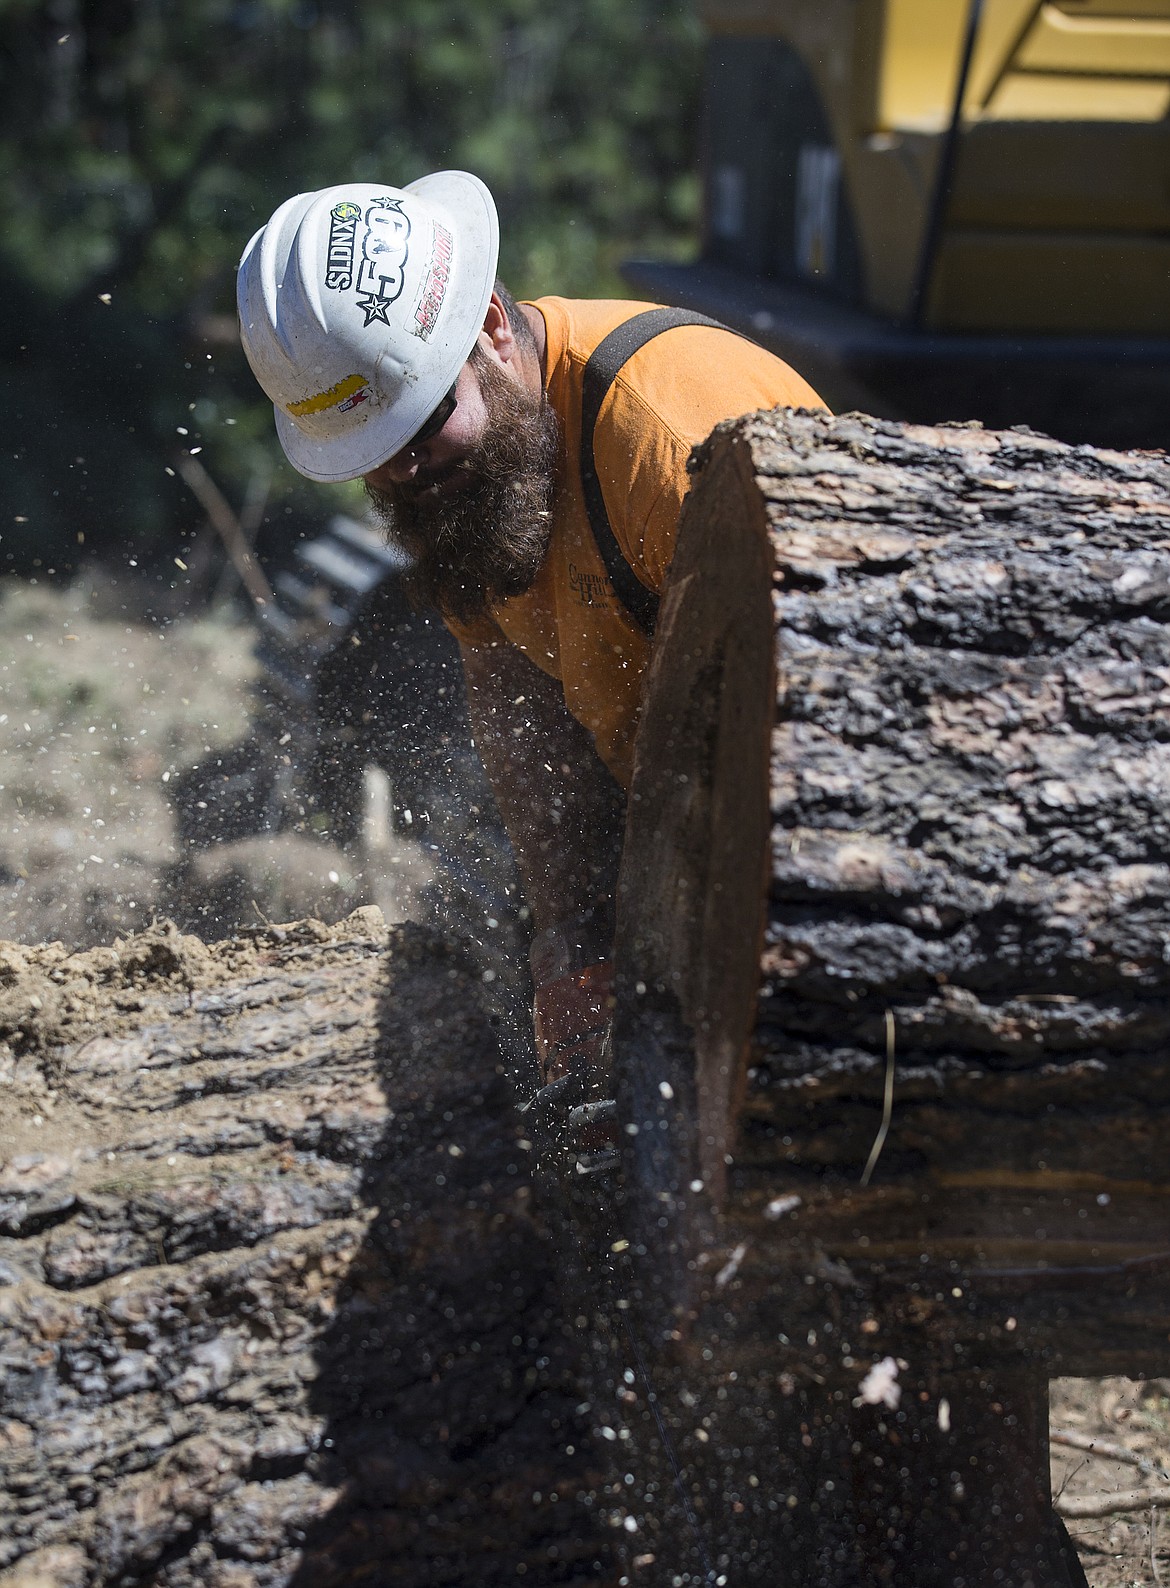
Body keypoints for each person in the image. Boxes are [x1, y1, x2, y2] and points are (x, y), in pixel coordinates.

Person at [237, 170, 826, 1096]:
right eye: (374, 459)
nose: (406, 473)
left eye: (423, 427)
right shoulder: (470, 482)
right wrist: (569, 931)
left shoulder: (675, 449)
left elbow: (818, 763)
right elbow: (509, 680)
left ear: (493, 330)